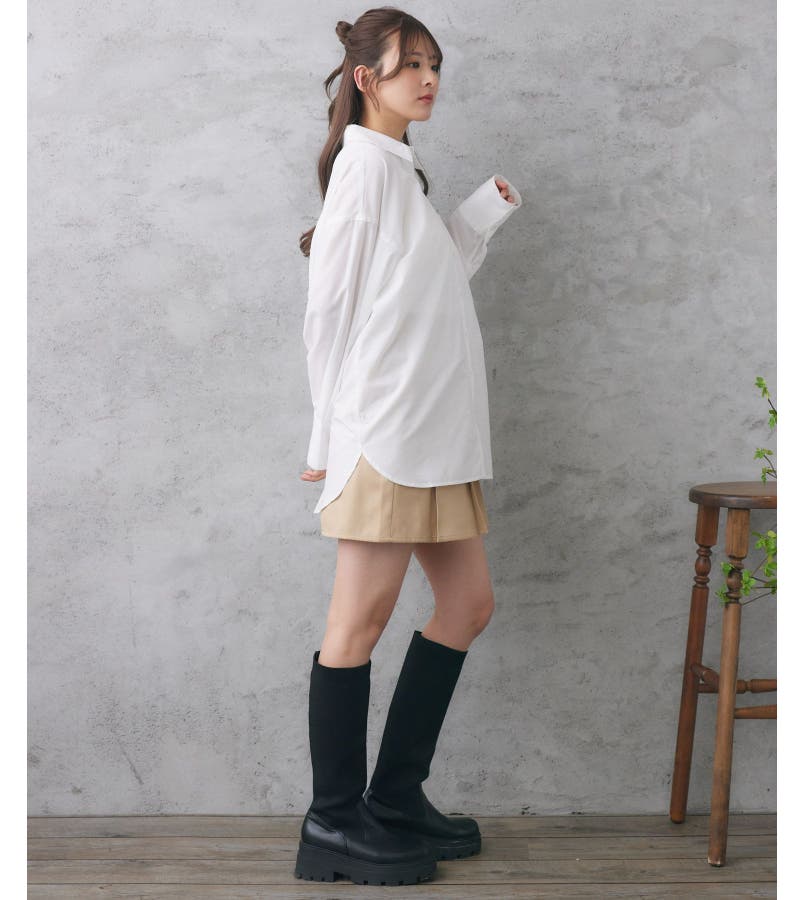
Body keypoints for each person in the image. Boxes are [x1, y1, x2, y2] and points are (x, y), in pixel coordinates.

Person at [294, 7, 522, 887]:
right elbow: (329, 314)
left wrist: (480, 214)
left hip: (435, 434)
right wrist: (326, 437)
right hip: (386, 434)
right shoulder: (364, 171)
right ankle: (332, 822)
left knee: (467, 604)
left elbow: (425, 283)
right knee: (359, 621)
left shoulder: (399, 173)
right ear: (367, 79)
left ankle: (392, 799)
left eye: (434, 64)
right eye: (410, 65)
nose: (428, 79)